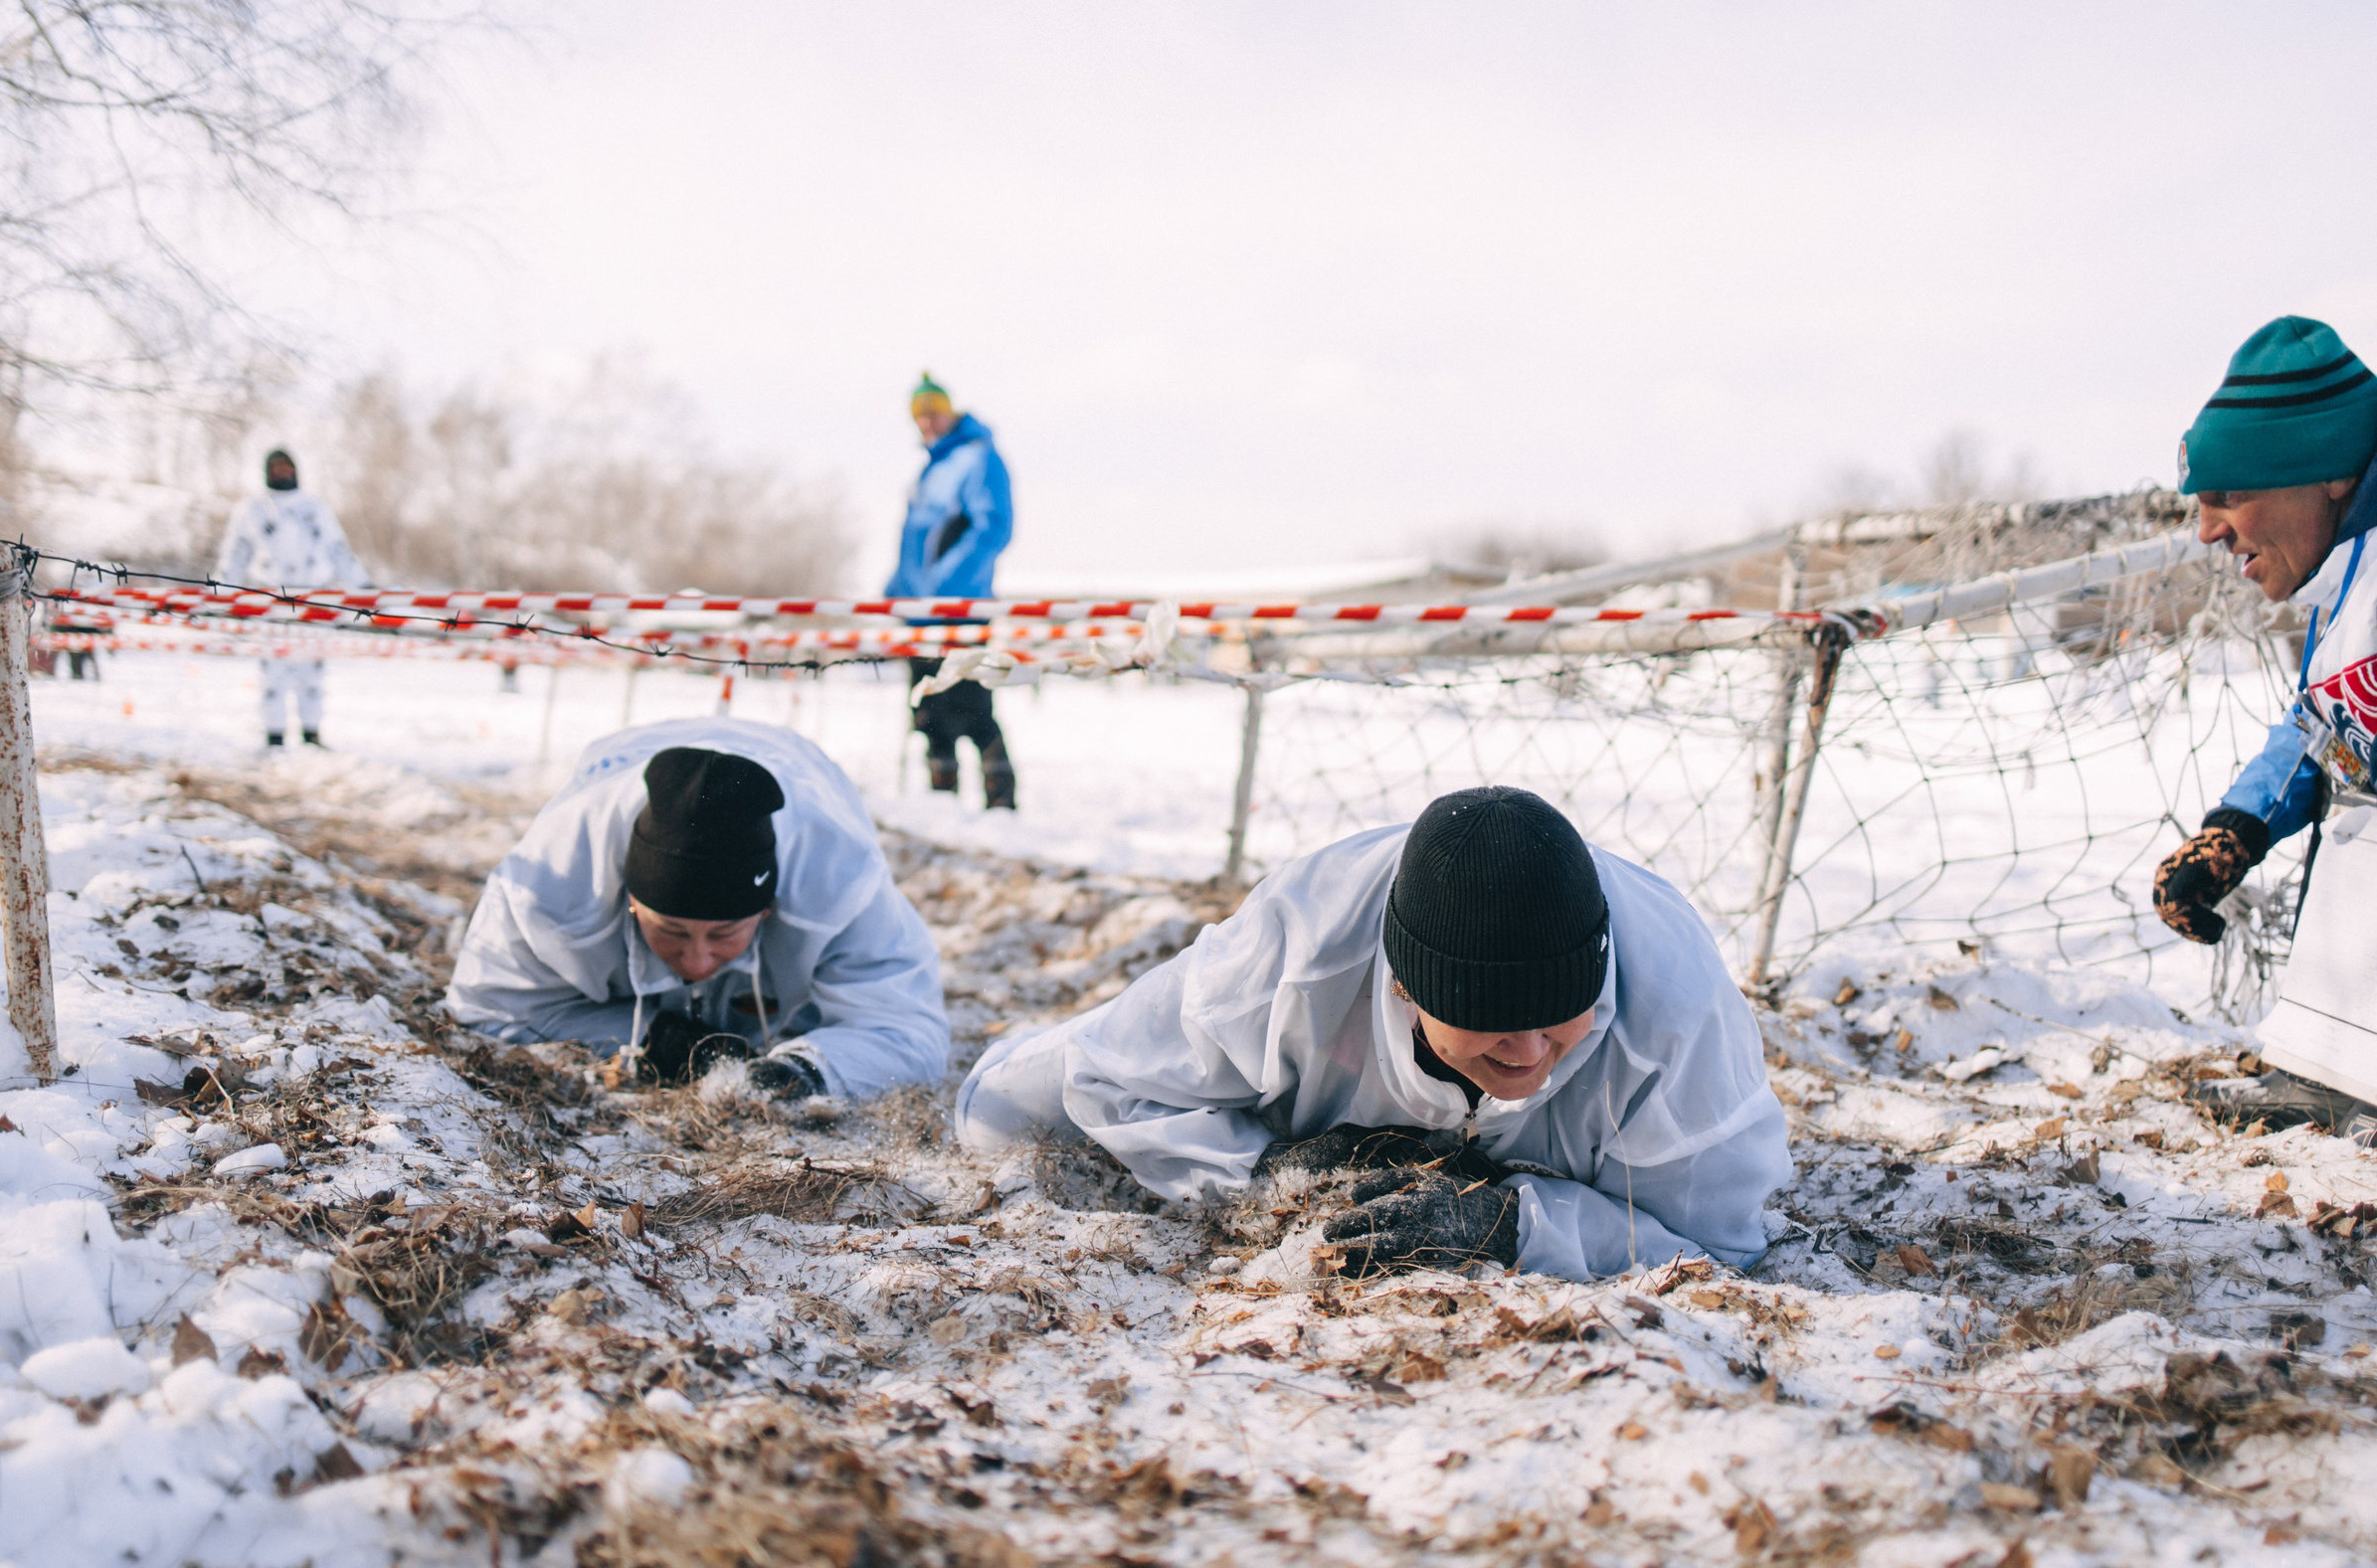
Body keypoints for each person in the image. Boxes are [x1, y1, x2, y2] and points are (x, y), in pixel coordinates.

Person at [954, 787, 1792, 1280]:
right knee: (991, 1114)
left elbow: (1719, 1245)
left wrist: (1515, 1225)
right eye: (1493, 1023)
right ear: (1403, 985)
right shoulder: (1295, 949)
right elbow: (1109, 1081)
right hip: (1293, 1048)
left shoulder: (1677, 1020)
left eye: (1559, 1017)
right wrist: (1261, 1170)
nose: (1532, 1052)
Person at [445, 718, 949, 1103]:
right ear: (631, 901)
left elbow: (908, 1029)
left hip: (802, 767)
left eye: (725, 933)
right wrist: (656, 1041)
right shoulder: (550, 883)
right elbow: (487, 1007)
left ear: (767, 912)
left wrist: (807, 1073)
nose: (697, 960)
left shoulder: (842, 882)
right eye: (671, 930)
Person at [2155, 315, 2377, 1121]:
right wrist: (2238, 828)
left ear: (2329, 474)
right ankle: (2330, 1075)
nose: (2208, 530)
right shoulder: (2348, 573)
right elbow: (2327, 723)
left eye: (2230, 496)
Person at [888, 373, 1016, 808]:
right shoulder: (930, 470)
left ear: (949, 411)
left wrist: (944, 583)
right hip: (919, 612)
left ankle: (1000, 805)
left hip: (960, 609)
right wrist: (896, 589)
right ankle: (942, 807)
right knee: (928, 714)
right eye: (919, 415)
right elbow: (915, 542)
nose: (927, 422)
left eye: (933, 412)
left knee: (973, 710)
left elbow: (993, 527)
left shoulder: (979, 458)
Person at [216, 447, 370, 749]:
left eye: (287, 467)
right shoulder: (253, 509)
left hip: (313, 599)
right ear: (266, 472)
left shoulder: (315, 507)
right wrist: (220, 593)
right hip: (270, 600)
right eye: (276, 468)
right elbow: (236, 553)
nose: (282, 472)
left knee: (311, 672)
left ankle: (311, 733)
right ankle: (274, 735)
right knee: (273, 672)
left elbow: (337, 550)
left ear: (296, 471)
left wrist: (363, 588)